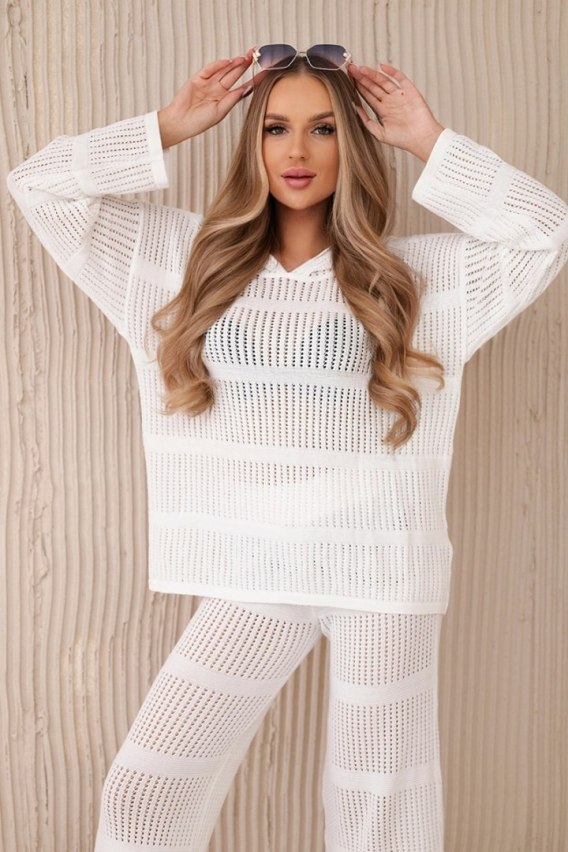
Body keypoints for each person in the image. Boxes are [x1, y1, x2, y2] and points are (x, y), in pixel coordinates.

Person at [7, 44, 568, 852]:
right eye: (275, 128)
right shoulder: (182, 262)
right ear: (253, 142)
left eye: (323, 128)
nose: (297, 150)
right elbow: (39, 185)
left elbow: (546, 233)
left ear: (354, 143)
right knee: (145, 792)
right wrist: (169, 126)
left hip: (380, 567)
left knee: (379, 816)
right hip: (255, 566)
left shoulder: (417, 279)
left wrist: (428, 139)